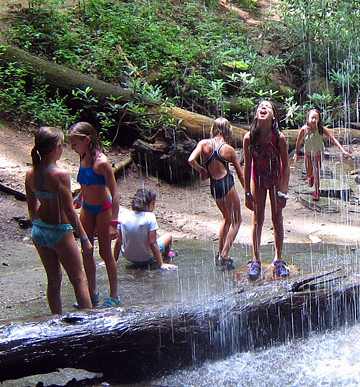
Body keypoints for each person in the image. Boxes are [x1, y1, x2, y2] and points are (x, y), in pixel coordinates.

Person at [25, 127, 93, 314]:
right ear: (56, 148)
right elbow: (70, 213)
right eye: (62, 145)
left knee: (54, 279)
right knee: (78, 278)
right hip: (60, 230)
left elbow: (32, 208)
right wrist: (84, 239)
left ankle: (55, 321)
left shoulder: (31, 173)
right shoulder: (60, 175)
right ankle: (90, 326)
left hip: (39, 230)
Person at [69, 121, 120, 307]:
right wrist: (79, 197)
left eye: (75, 144)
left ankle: (114, 294)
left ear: (87, 140)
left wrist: (114, 222)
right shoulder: (82, 157)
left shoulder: (102, 162)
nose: (72, 148)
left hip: (103, 210)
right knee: (87, 249)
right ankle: (92, 292)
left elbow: (115, 193)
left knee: (105, 252)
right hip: (87, 208)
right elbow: (86, 183)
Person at [188, 117, 245, 269]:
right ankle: (225, 254)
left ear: (214, 129)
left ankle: (219, 253)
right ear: (228, 131)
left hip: (214, 185)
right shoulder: (229, 149)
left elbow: (191, 160)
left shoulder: (204, 144)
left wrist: (201, 170)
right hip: (226, 182)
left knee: (226, 218)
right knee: (237, 220)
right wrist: (248, 192)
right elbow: (240, 174)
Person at [243, 100, 290, 280]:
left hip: (276, 178)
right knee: (258, 219)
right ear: (256, 115)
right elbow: (247, 167)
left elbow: (286, 166)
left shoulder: (279, 138)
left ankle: (278, 259)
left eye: (268, 107)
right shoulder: (249, 138)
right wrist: (247, 192)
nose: (263, 108)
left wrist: (283, 191)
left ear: (273, 116)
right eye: (260, 107)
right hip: (259, 178)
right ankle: (256, 260)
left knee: (277, 218)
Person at [294, 108, 351, 200]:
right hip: (308, 153)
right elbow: (298, 141)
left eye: (316, 118)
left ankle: (317, 191)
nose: (314, 120)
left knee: (317, 172)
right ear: (308, 118)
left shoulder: (321, 129)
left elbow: (332, 139)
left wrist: (342, 150)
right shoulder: (304, 130)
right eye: (312, 118)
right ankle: (310, 177)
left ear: (319, 120)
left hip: (318, 153)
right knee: (309, 173)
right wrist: (296, 153)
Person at [113, 188, 177, 270]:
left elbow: (118, 242)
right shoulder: (150, 217)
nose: (153, 207)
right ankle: (166, 255)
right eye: (153, 204)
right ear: (146, 205)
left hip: (128, 256)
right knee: (168, 236)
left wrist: (113, 261)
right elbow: (152, 243)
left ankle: (163, 255)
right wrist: (161, 264)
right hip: (147, 258)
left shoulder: (123, 216)